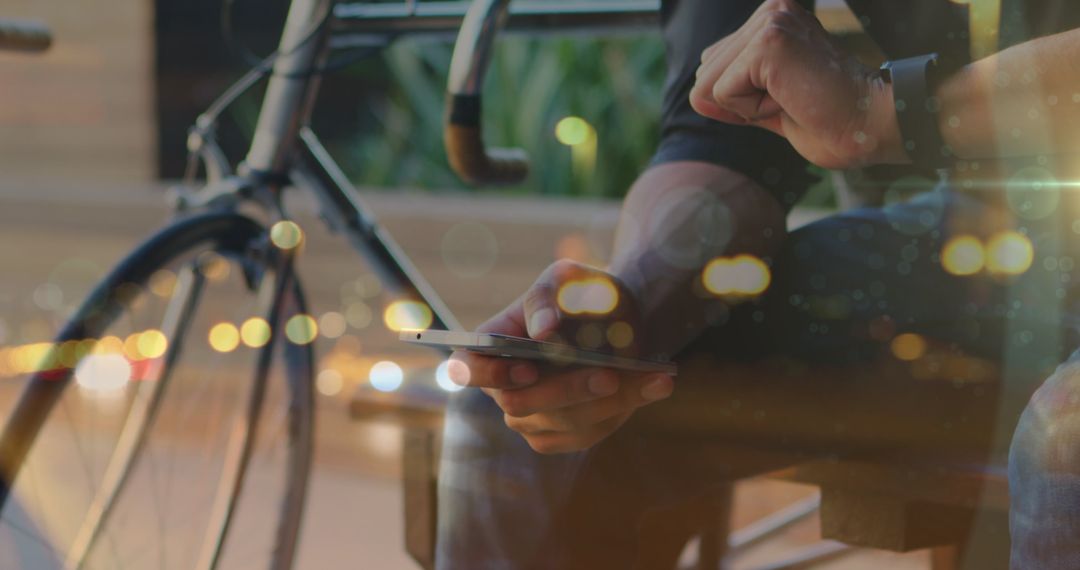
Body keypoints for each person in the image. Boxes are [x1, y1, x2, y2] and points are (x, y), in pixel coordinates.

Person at [437, 0, 1080, 567]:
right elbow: (719, 136)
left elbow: (873, 114)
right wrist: (631, 312)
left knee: (1067, 441)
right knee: (516, 417)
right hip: (982, 239)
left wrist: (891, 109)